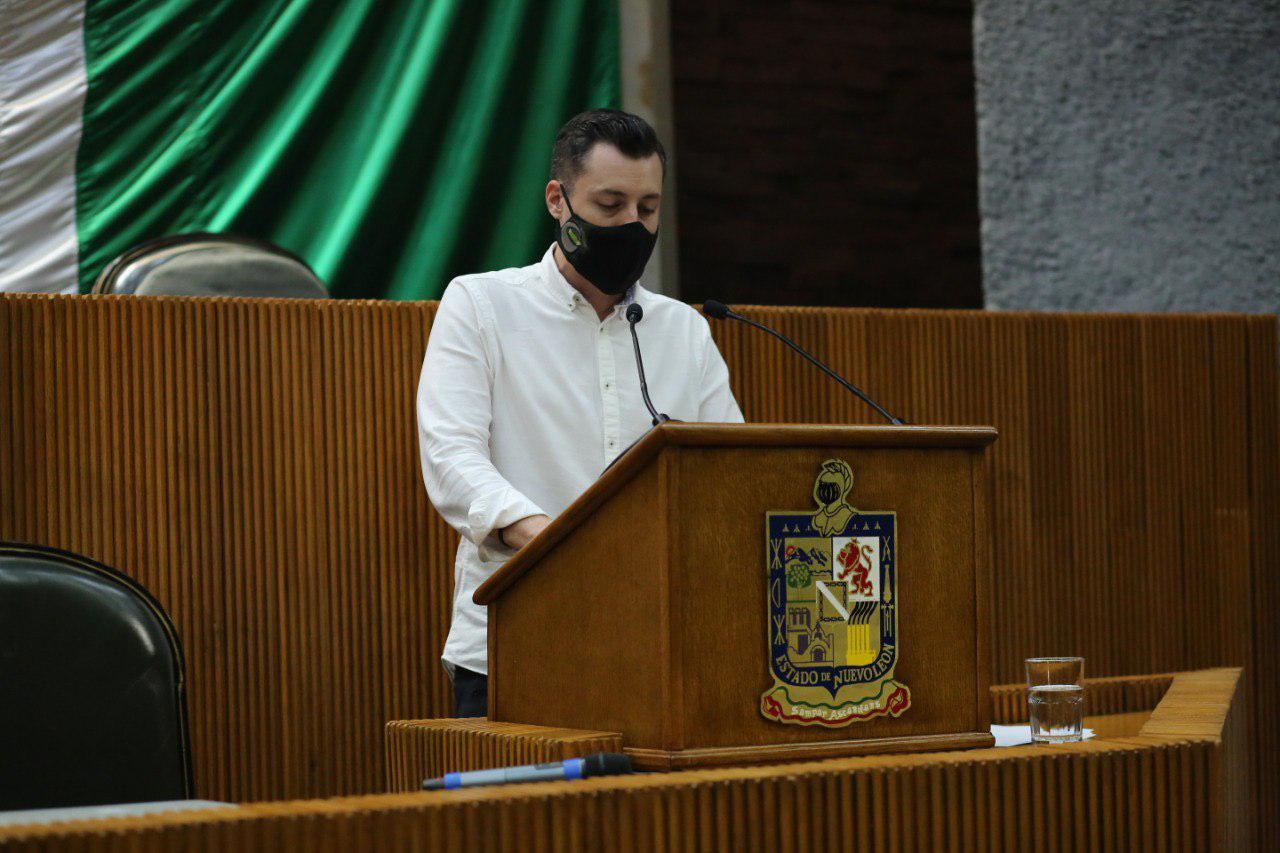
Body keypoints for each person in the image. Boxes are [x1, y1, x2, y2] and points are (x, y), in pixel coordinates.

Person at [416, 109, 744, 717]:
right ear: (558, 201)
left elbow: (730, 476)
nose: (631, 225)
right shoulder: (481, 304)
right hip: (517, 640)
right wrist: (551, 541)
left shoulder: (686, 330)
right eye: (610, 204)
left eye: (647, 210)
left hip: (659, 644)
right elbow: (451, 456)